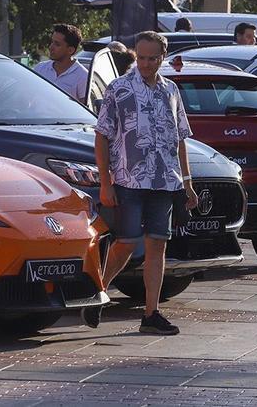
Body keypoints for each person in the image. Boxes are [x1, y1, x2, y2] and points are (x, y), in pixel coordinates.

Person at [90, 31, 198, 334]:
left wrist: (186, 182)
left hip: (164, 181)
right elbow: (102, 136)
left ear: (163, 57)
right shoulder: (119, 89)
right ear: (135, 54)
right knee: (124, 243)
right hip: (128, 180)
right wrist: (105, 181)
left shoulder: (171, 90)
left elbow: (180, 139)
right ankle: (97, 291)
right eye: (142, 57)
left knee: (157, 246)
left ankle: (151, 313)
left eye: (153, 58)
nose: (147, 64)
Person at [34, 24, 88, 102]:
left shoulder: (82, 76)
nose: (51, 47)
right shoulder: (40, 69)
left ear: (70, 50)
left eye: (57, 44)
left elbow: (85, 110)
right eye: (52, 42)